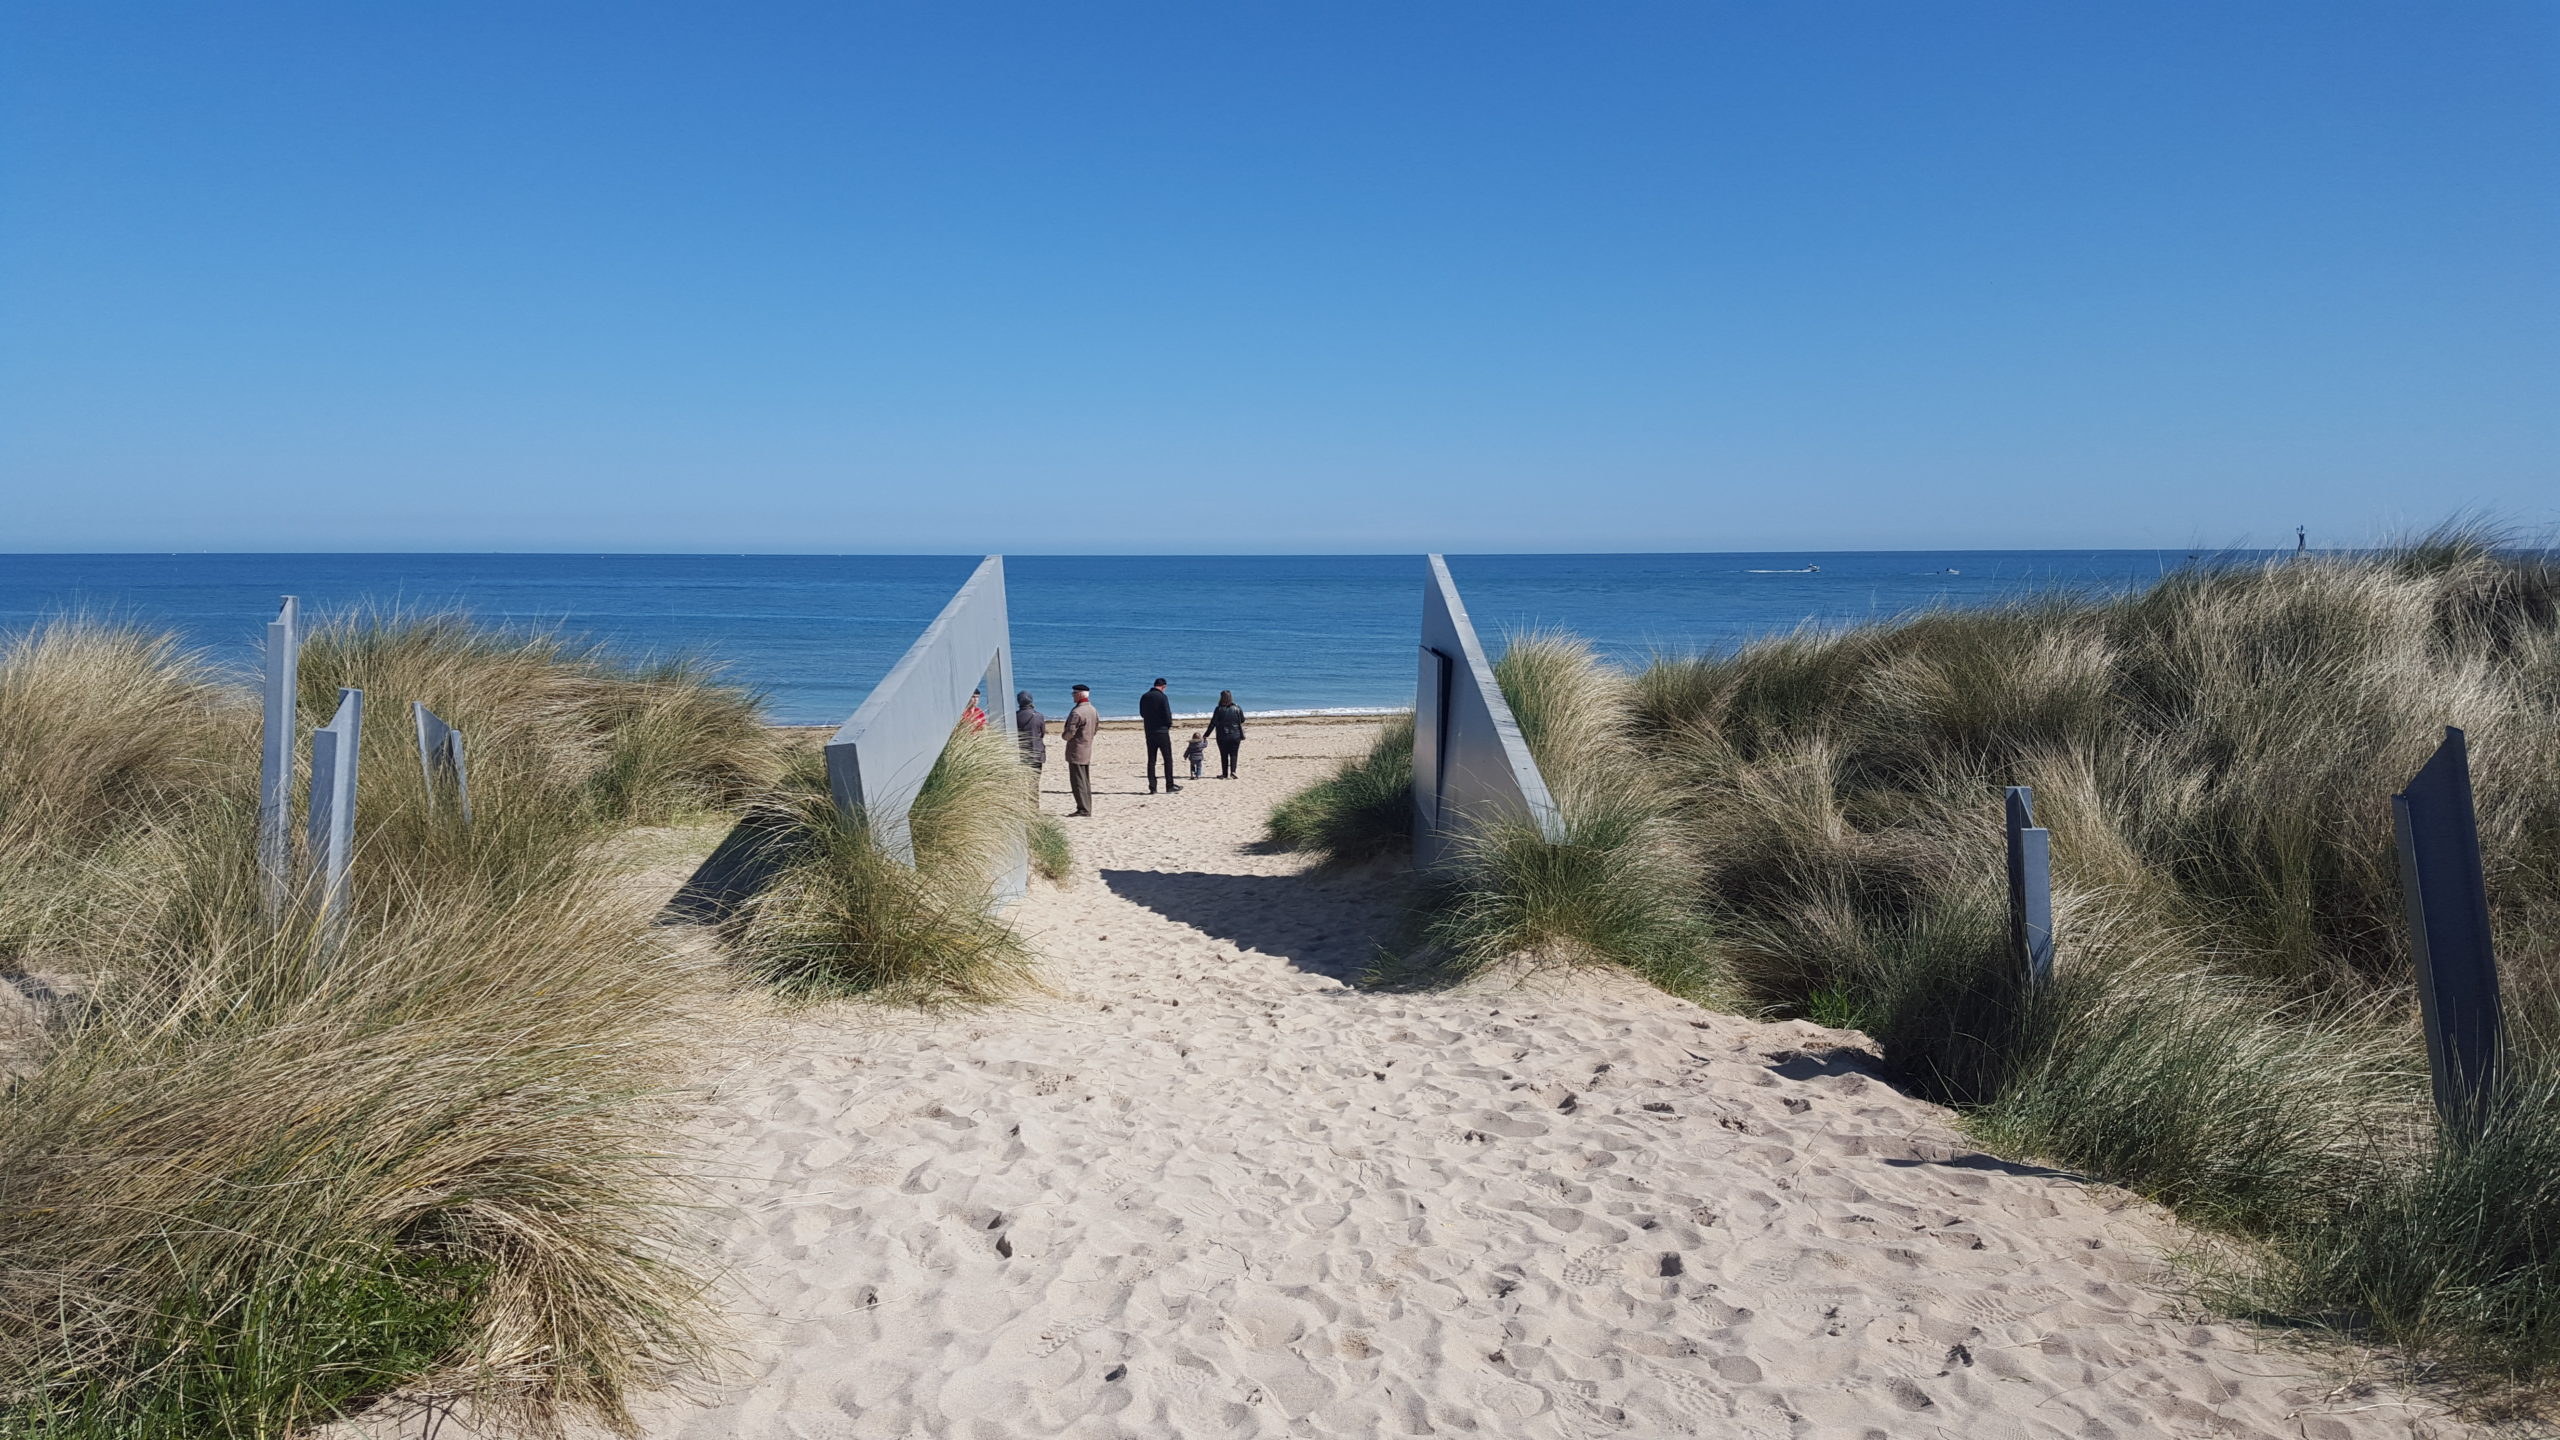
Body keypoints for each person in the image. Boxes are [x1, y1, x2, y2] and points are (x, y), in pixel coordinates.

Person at [1061, 684, 1099, 816]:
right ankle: (1086, 806)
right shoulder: (1092, 710)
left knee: (1078, 780)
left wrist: (1065, 737)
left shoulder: (1077, 712)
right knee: (1084, 779)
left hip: (1077, 749)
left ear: (1080, 695)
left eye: (1074, 694)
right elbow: (1095, 728)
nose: (1072, 696)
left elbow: (1070, 732)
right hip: (1087, 747)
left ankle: (1083, 808)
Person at [1138, 677, 1181, 793]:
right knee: (1167, 759)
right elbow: (1167, 714)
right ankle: (1169, 785)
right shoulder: (1162, 697)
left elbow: (1142, 713)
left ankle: (1152, 786)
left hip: (1149, 731)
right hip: (1162, 731)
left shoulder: (1145, 696)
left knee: (1151, 760)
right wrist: (1168, 725)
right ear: (1164, 687)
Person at [1206, 689, 1247, 778]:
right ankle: (1233, 771)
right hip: (1236, 735)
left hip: (1222, 735)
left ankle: (1225, 774)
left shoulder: (1218, 709)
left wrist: (1206, 735)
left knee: (1223, 755)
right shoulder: (1237, 707)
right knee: (1234, 754)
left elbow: (1212, 723)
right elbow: (1242, 720)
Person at [1014, 690, 1048, 799]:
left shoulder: (1015, 716)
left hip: (1022, 752)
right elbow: (1042, 733)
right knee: (1034, 782)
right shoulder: (1039, 716)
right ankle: (1034, 807)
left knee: (1023, 781)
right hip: (1037, 752)